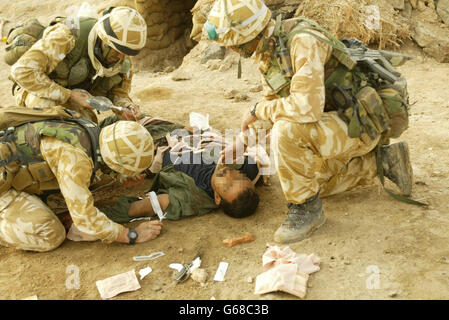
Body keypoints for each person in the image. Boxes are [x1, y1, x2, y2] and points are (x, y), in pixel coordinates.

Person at [203, 0, 414, 243]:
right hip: (336, 122)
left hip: (361, 124)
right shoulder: (269, 51)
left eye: (233, 43)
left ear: (249, 34)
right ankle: (384, 163)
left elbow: (306, 109)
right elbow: (275, 103)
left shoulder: (303, 41)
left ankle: (305, 210)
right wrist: (245, 142)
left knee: (286, 132)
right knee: (306, 180)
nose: (230, 49)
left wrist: (256, 108)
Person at [0, 118, 161, 252]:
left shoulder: (89, 130)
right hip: (4, 185)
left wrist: (119, 177)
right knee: (51, 233)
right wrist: (130, 235)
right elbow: (84, 217)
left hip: (13, 169)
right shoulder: (76, 160)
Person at [8, 6, 147, 122]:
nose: (120, 57)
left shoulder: (122, 58)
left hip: (76, 100)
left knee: (87, 127)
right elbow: (22, 71)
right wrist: (68, 95)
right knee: (50, 115)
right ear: (103, 38)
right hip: (37, 91)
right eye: (116, 50)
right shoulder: (68, 34)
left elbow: (118, 93)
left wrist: (124, 107)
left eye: (125, 52)